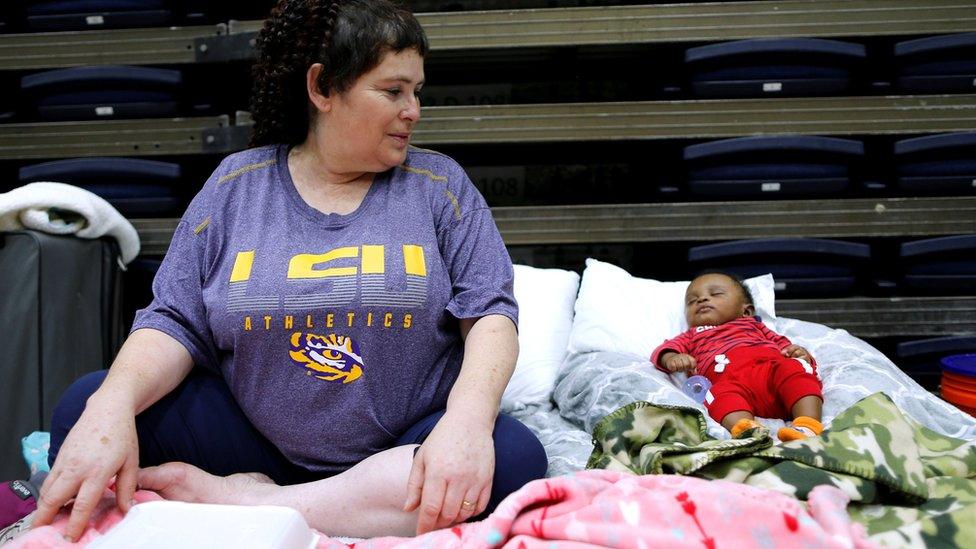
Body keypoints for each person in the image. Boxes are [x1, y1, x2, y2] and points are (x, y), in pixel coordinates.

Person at [29, 0, 547, 542]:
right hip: (251, 442)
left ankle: (257, 502)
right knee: (83, 409)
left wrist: (465, 424)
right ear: (322, 88)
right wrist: (112, 405)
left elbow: (490, 313)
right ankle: (332, 505)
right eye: (393, 91)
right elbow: (174, 321)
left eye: (416, 91)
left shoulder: (440, 187)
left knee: (512, 459)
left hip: (403, 447)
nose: (413, 109)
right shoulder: (236, 187)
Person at [652, 271, 824, 442]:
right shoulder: (692, 334)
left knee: (793, 367)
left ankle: (807, 424)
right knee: (716, 393)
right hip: (730, 385)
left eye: (716, 294)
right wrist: (671, 358)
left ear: (746, 311)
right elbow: (664, 350)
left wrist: (798, 353)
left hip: (772, 377)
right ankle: (747, 430)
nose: (701, 299)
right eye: (691, 301)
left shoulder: (755, 326)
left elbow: (786, 347)